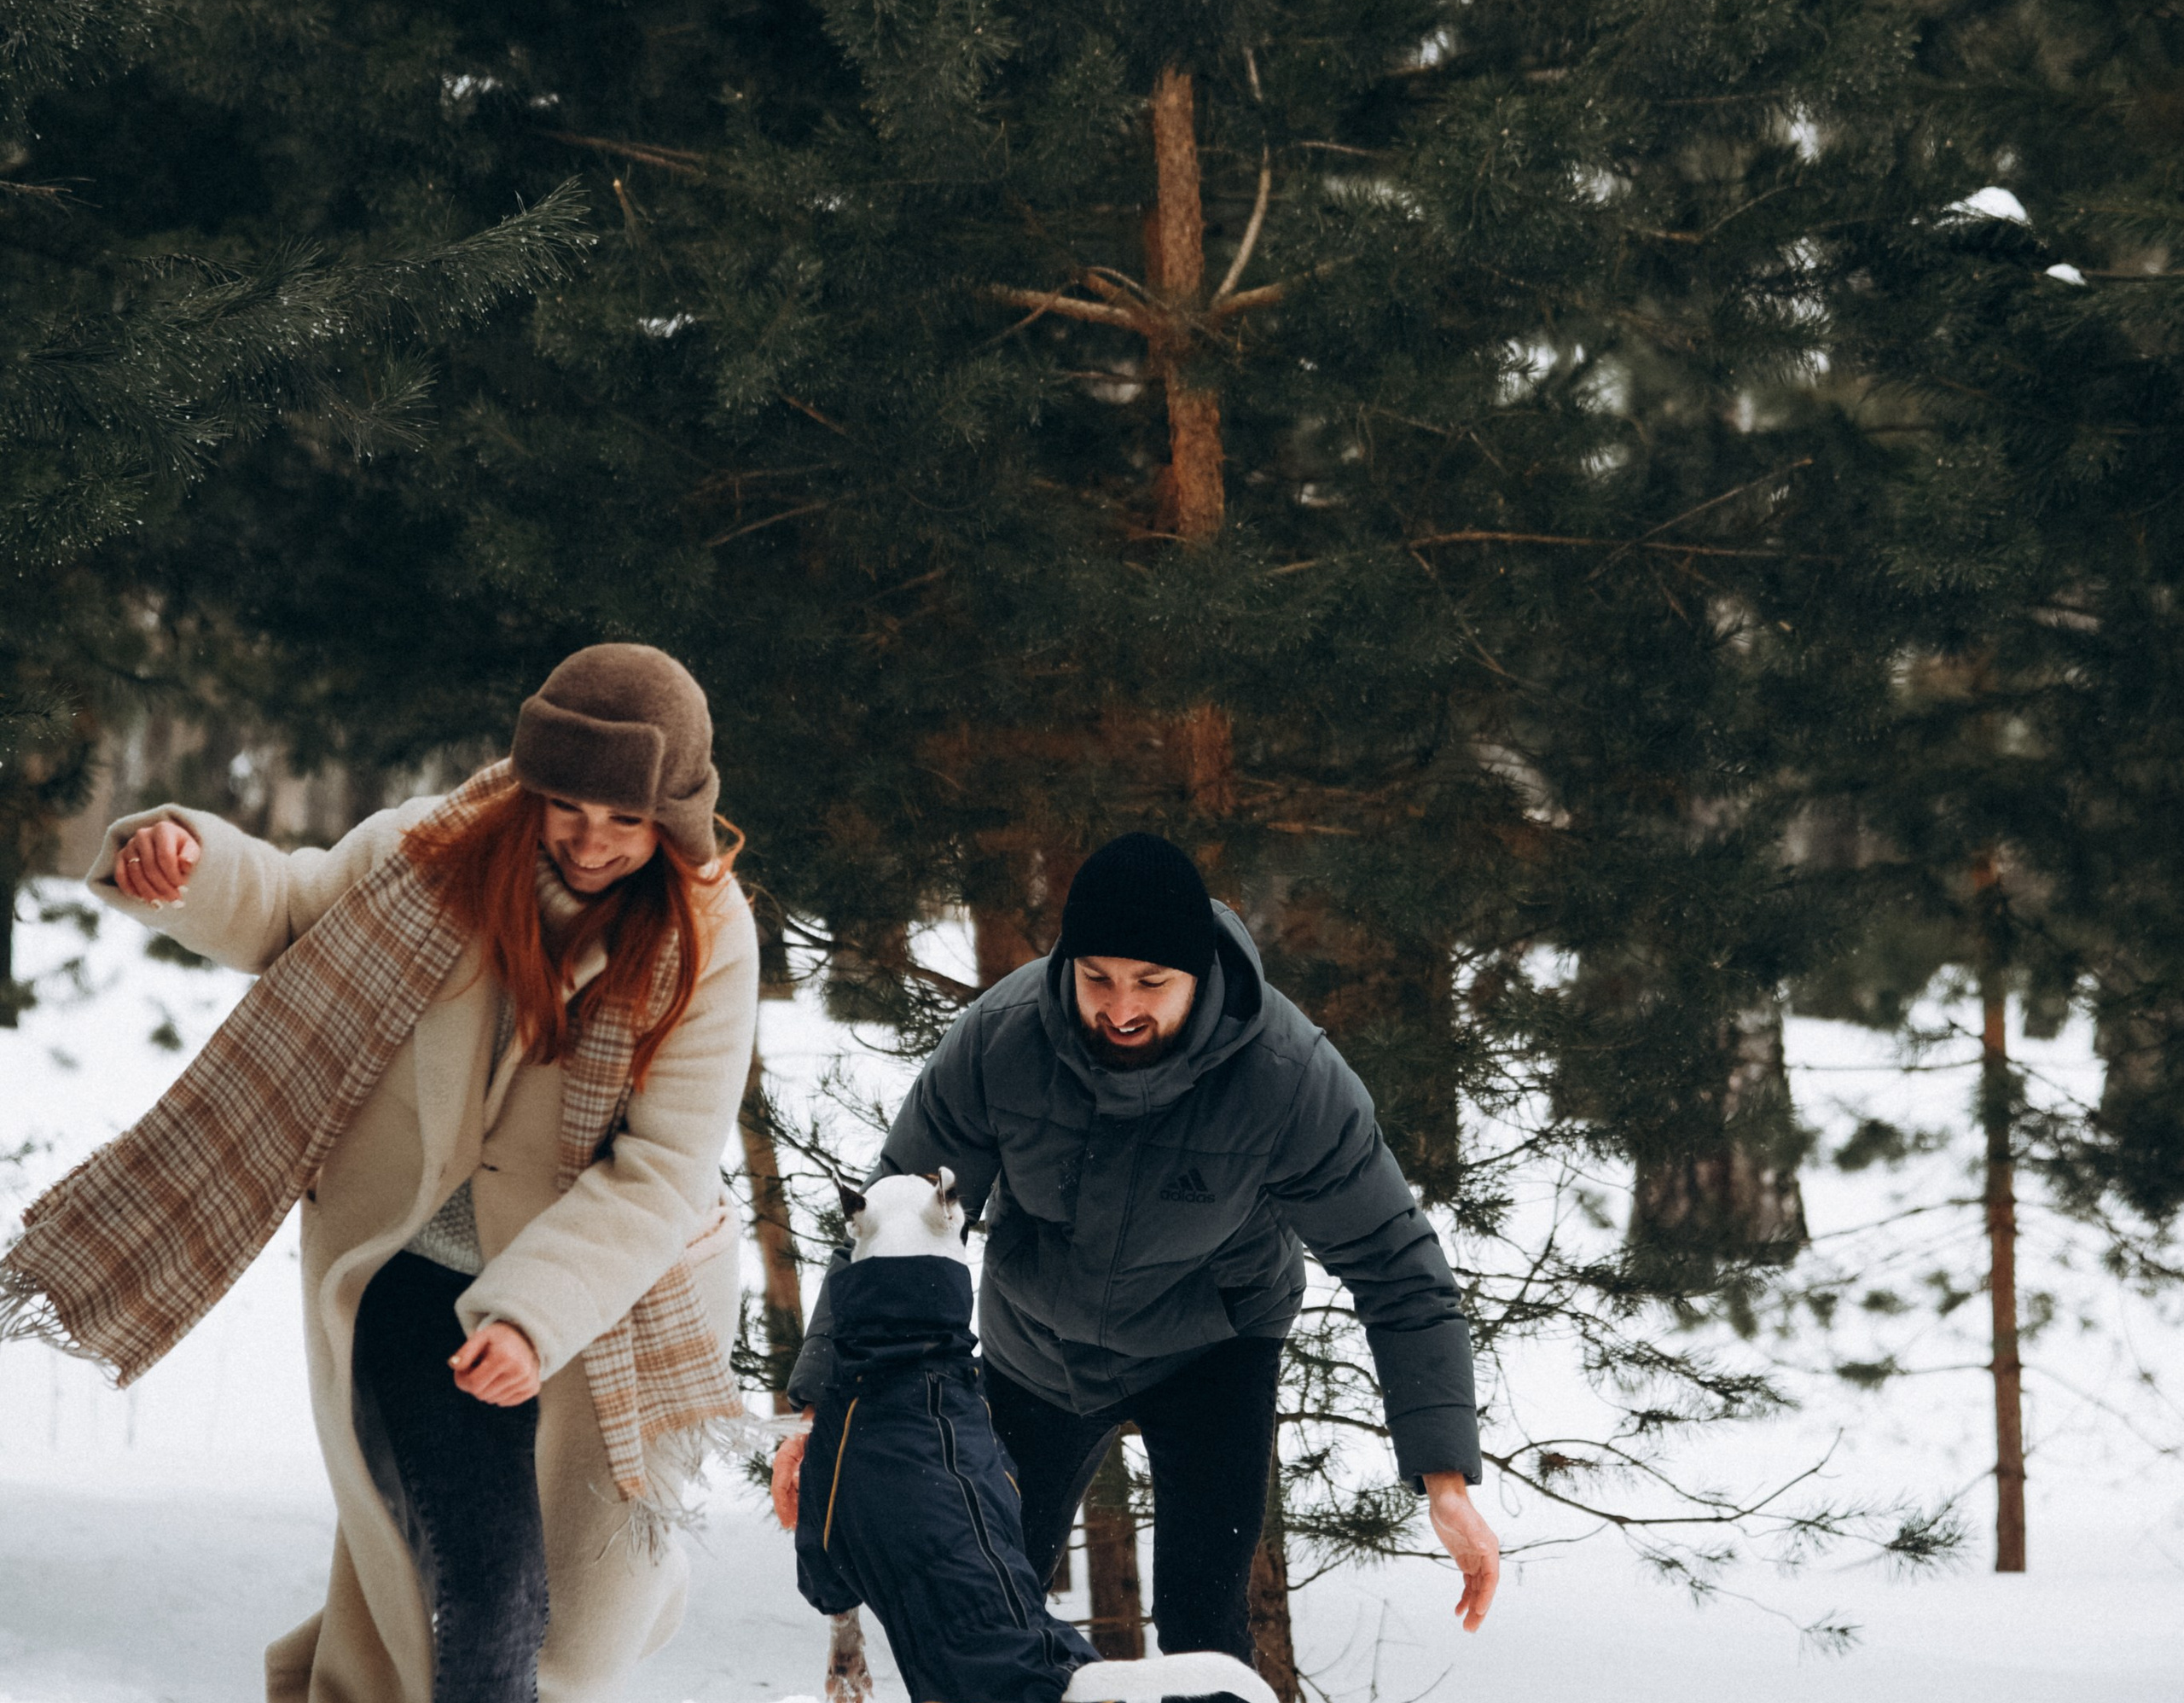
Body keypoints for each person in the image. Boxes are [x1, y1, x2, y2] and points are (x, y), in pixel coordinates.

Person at [0, 644, 759, 1703]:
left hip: (607, 1296)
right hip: (411, 1271)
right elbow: (288, 906)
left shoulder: (708, 931)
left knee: (576, 1638)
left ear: (671, 818)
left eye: (626, 820)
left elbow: (663, 1168)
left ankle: (362, 1667)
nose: (593, 842)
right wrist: (189, 861)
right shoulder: (430, 851)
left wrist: (533, 1315)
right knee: (486, 1597)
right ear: (532, 785)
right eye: (570, 808)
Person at [771, 832, 1499, 1670]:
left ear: (1200, 976)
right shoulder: (1001, 1043)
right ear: (1067, 964)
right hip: (1037, 1345)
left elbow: (1397, 1266)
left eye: (1152, 983)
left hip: (1212, 1349)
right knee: (983, 1607)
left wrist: (1444, 1477)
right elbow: (891, 1221)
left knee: (1203, 1630)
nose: (1120, 1008)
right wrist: (828, 1407)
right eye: (1098, 979)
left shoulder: (1286, 1076)